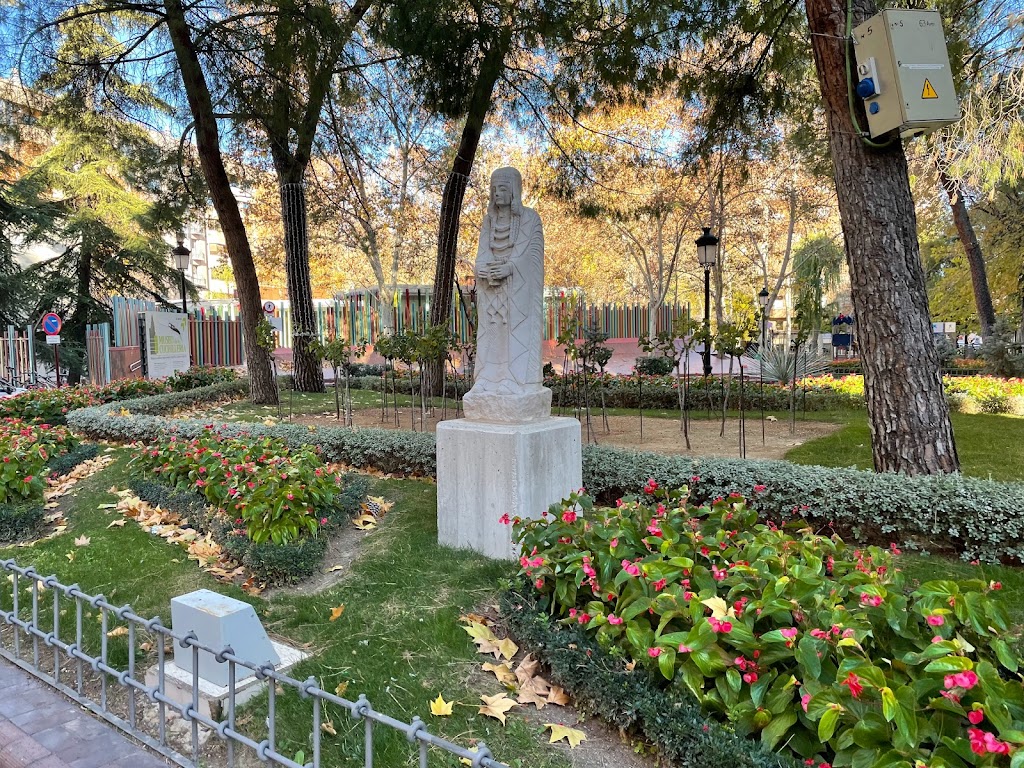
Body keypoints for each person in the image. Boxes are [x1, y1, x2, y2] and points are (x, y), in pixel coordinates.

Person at [468, 167, 546, 396]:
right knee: (491, 332)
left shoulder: (529, 218)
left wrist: (509, 268)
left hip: (517, 288)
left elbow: (528, 254)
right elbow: (482, 253)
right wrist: (482, 269)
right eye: (493, 189)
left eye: (502, 188)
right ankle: (487, 379)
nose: (497, 193)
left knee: (514, 330)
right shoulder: (488, 221)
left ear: (514, 190)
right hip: (492, 289)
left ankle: (514, 378)